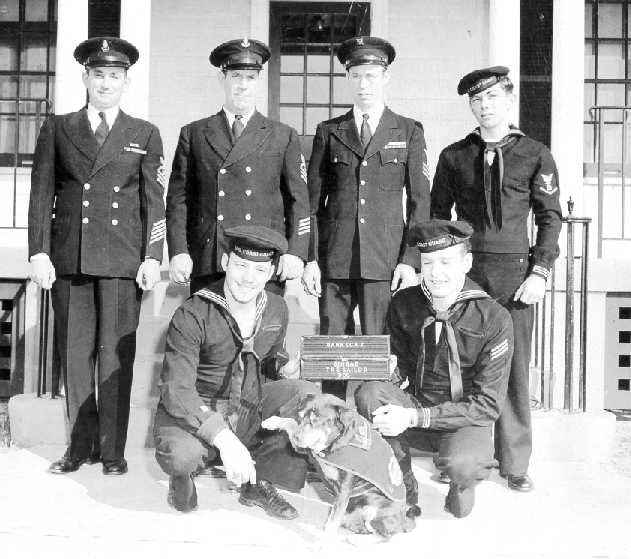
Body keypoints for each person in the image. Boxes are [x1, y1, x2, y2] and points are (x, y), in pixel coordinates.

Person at [28, 37, 166, 475]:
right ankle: (77, 447)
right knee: (75, 355)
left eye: (115, 75)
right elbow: (41, 195)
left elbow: (153, 200)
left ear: (125, 81)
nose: (106, 83)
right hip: (70, 259)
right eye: (99, 74)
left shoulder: (143, 133)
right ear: (85, 78)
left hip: (123, 262)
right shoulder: (58, 128)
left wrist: (152, 256)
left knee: (115, 357)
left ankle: (112, 452)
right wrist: (38, 252)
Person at [430, 66, 562, 492]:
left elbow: (549, 218)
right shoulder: (454, 156)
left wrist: (540, 270)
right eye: (476, 100)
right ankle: (458, 454)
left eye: (491, 98)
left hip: (514, 276)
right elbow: (437, 218)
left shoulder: (535, 153)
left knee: (513, 366)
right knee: (459, 361)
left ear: (508, 100)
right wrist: (442, 270)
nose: (484, 106)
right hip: (468, 273)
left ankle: (515, 463)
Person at [154, 225, 319, 515]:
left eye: (259, 270)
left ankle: (259, 484)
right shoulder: (193, 313)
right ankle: (182, 477)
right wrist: (224, 439)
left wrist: (285, 367)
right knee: (181, 456)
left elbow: (271, 360)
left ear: (270, 273)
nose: (248, 278)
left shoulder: (277, 308)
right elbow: (176, 390)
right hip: (199, 406)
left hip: (246, 405)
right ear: (225, 263)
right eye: (241, 266)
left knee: (304, 394)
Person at [355, 220, 513, 518]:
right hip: (415, 405)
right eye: (427, 263)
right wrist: (389, 372)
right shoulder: (404, 303)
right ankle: (402, 482)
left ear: (466, 263)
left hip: (461, 417)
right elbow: (399, 364)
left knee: (465, 466)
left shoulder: (494, 317)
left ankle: (460, 485)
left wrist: (415, 417)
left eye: (446, 262)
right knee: (370, 393)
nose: (436, 272)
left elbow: (488, 405)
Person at [302, 36, 430, 338]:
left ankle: (374, 389)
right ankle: (332, 390)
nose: (363, 85)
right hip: (335, 261)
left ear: (386, 77)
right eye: (356, 76)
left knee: (381, 346)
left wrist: (409, 261)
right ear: (347, 78)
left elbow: (419, 202)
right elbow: (311, 204)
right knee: (333, 348)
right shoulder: (329, 131)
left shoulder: (409, 131)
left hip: (384, 261)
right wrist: (311, 260)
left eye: (371, 76)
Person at [166, 38, 310, 295]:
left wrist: (296, 253)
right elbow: (178, 200)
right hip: (211, 256)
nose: (242, 85)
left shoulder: (282, 135)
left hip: (263, 258)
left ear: (259, 81)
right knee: (210, 333)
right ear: (222, 79)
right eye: (235, 76)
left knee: (261, 333)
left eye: (250, 77)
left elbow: (299, 201)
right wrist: (178, 251)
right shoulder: (195, 133)